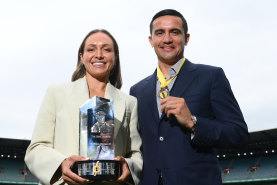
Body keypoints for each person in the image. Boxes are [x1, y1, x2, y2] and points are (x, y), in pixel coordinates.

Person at [130, 9, 249, 185]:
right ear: (151, 40)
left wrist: (193, 123)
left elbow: (238, 135)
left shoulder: (211, 76)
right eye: (160, 33)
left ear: (186, 38)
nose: (167, 39)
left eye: (175, 32)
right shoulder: (137, 91)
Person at [25, 29, 142, 185]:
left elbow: (136, 154)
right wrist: (61, 164)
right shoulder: (56, 93)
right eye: (91, 49)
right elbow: (36, 149)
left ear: (115, 58)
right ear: (82, 56)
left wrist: (128, 165)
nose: (99, 55)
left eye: (106, 49)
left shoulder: (129, 102)